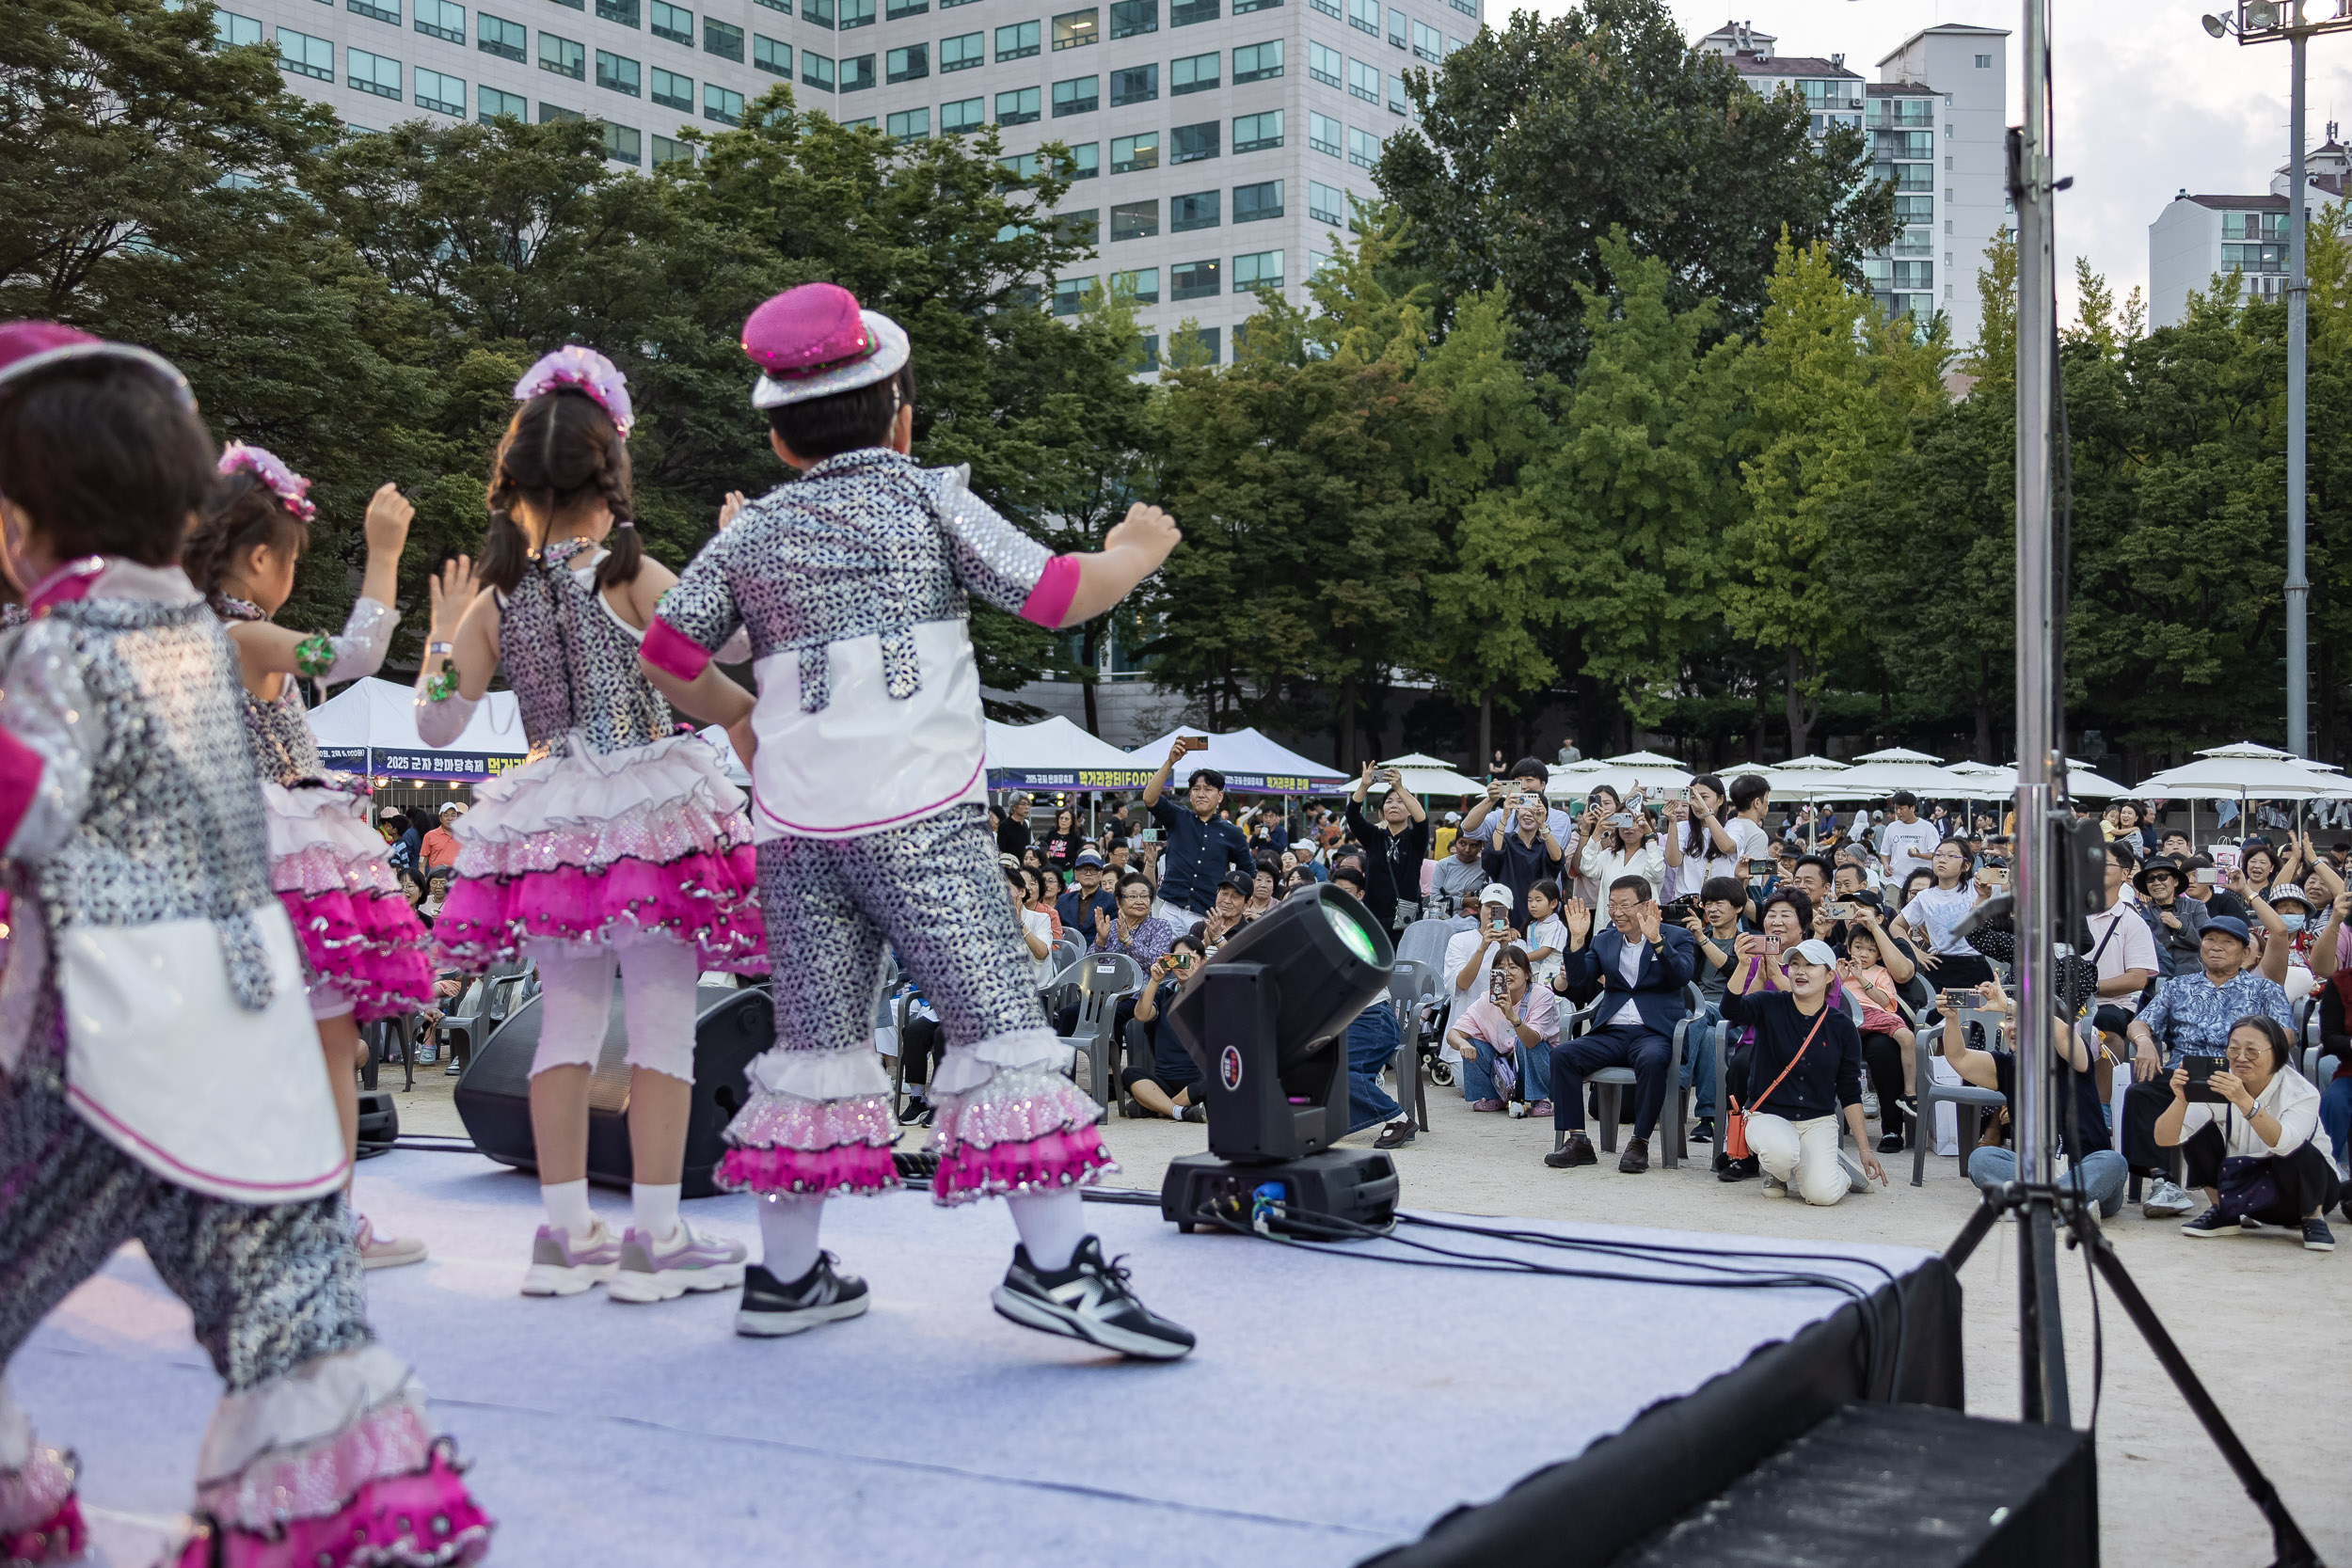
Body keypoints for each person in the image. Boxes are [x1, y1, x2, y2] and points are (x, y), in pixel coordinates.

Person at [0, 323, 490, 1558]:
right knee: (296, 1339)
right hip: (241, 1035)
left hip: (87, 1055)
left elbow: (37, 801)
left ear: (13, 527)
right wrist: (381, 571)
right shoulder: (213, 639)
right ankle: (349, 1519)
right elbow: (356, 656)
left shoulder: (57, 645)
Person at [642, 286, 1192, 1356]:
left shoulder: (751, 533)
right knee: (1000, 1028)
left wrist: (754, 717)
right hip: (921, 818)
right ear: (899, 410)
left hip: (797, 829)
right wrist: (1136, 552)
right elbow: (1049, 592)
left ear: (776, 433)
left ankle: (787, 1275)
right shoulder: (926, 497)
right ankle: (1056, 1267)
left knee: (812, 1045)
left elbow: (666, 654)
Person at [415, 346, 766, 1313]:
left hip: (553, 817)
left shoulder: (497, 596)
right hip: (653, 812)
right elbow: (714, 659)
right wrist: (731, 562)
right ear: (613, 471)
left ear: (514, 481)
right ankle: (655, 1235)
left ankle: (564, 1233)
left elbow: (437, 723)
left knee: (563, 1022)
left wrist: (441, 639)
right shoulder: (637, 573)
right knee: (661, 1021)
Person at [183, 444, 440, 1271]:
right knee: (332, 1039)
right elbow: (355, 656)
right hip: (282, 850)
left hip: (222, 850)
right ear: (261, 559)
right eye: (291, 560)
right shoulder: (243, 634)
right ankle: (327, 1225)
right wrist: (385, 555)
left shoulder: (181, 632)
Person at [2121, 917, 2296, 1218]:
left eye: (2227, 942)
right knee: (2142, 1092)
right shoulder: (2179, 986)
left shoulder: (2263, 990)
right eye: (2210, 940)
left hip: (2239, 1075)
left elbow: (2287, 1034)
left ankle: (2243, 1187)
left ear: (2244, 954)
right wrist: (2144, 1041)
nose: (2216, 947)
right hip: (2184, 1072)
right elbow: (2140, 1022)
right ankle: (2165, 1182)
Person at [1935, 976, 2131, 1220]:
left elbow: (2059, 1032)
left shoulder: (2074, 1057)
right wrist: (1951, 1019)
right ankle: (2062, 1206)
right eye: (2009, 1020)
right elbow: (1959, 1058)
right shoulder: (2008, 1065)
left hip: (2085, 1169)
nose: (2013, 1027)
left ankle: (2037, 1201)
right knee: (1981, 1158)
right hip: (2034, 1172)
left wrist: (2009, 1005)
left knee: (2112, 1162)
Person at [1544, 875, 1697, 1175]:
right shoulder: (1604, 939)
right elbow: (1577, 982)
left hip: (1655, 1033)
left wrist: (1656, 941)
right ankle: (1578, 1141)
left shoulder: (1676, 937)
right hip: (1611, 1032)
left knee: (1653, 1060)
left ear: (1647, 905)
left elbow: (1682, 976)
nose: (1616, 912)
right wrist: (1576, 941)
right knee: (1564, 1055)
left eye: (1625, 905)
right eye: (1612, 905)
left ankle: (1639, 1142)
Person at [1721, 938, 1885, 1205]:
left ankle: (1838, 1170)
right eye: (1795, 964)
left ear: (1829, 975)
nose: (1800, 971)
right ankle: (1779, 1174)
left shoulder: (1841, 1026)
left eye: (1810, 965)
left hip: (1816, 1120)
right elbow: (1731, 1010)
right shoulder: (1769, 1004)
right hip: (1768, 1114)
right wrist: (1741, 966)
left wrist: (1865, 1149)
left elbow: (1849, 1090)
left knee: (1822, 1195)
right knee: (1782, 1154)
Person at [2156, 1016, 2337, 1250]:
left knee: (2297, 1147)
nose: (2240, 1058)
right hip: (2247, 1194)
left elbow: (2285, 1144)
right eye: (2233, 1049)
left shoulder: (2301, 1092)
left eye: (2252, 1051)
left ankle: (2313, 1219)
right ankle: (2223, 1211)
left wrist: (2244, 1101)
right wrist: (2181, 1101)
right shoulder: (2219, 1084)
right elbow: (2165, 1138)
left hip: (2309, 1193)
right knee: (2199, 1131)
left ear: (2277, 1052)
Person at [1141, 743, 1254, 926]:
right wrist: (1170, 762)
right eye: (1196, 789)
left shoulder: (1233, 833)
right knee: (1167, 955)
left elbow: (1249, 872)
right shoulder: (1178, 817)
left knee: (1200, 955)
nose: (1201, 794)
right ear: (1191, 794)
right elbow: (1149, 798)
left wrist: (1244, 909)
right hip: (1169, 910)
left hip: (1206, 914)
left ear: (1220, 796)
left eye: (1208, 789)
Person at [1678, 875, 1748, 1145]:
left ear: (1738, 907)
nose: (1712, 910)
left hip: (1734, 1014)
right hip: (1700, 1020)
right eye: (1707, 904)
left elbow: (1733, 970)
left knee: (1701, 1010)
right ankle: (1707, 1118)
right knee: (1707, 1035)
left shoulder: (1746, 942)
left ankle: (1677, 1079)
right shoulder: (1696, 939)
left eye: (1720, 903)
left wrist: (1701, 940)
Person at [1446, 945, 1557, 1115]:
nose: (1507, 972)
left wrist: (1513, 1016)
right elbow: (1453, 1034)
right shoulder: (1488, 999)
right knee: (1471, 1042)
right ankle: (1492, 1097)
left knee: (1523, 1040)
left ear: (1527, 973)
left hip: (1543, 1067)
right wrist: (1462, 1044)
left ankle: (1541, 1098)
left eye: (1513, 967)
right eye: (1500, 968)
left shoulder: (1542, 995)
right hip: (1508, 1071)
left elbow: (1533, 1040)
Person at [1840, 926, 1916, 1155]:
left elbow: (1886, 1002)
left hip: (1873, 1019)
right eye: (1858, 947)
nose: (1863, 953)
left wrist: (1861, 979)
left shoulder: (1881, 973)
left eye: (1870, 950)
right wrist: (1838, 980)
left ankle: (1894, 1125)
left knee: (1886, 1052)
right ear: (1848, 947)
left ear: (1879, 954)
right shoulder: (1838, 968)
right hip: (1843, 1020)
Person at [1119, 935, 1209, 1122]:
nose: (1183, 966)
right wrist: (1154, 980)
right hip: (1165, 1081)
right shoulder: (1163, 992)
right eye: (1178, 959)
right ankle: (1179, 1111)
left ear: (1202, 961)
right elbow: (1141, 1015)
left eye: (1189, 959)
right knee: (1129, 1073)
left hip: (1199, 1080)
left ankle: (1156, 1108)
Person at [1894, 838, 1995, 993]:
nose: (1942, 860)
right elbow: (1896, 926)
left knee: (1978, 1014)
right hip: (1940, 966)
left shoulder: (1975, 888)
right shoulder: (1925, 897)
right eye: (1938, 855)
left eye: (1951, 856)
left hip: (1975, 964)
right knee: (1940, 1014)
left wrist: (2008, 859)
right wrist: (1917, 953)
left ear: (1966, 865)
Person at [1344, 760, 1429, 931]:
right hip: (1374, 917)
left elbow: (1422, 819)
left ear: (1409, 809)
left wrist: (1399, 788)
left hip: (1406, 919)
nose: (1394, 805)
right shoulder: (1374, 836)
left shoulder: (1415, 839)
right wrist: (1364, 785)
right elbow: (1352, 816)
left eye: (1400, 801)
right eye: (1389, 801)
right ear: (1382, 810)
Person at [1662, 772, 1768, 900]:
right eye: (1694, 798)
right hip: (1687, 903)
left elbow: (1727, 847)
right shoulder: (1683, 828)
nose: (1698, 803)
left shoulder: (1733, 826)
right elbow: (1673, 862)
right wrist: (1672, 823)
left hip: (1721, 902)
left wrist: (1706, 812)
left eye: (1704, 797)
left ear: (1720, 800)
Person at [1482, 789, 1565, 931]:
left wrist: (1542, 824)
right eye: (1524, 808)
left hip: (1539, 918)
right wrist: (1504, 816)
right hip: (1502, 911)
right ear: (1517, 812)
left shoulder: (1545, 845)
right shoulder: (1505, 839)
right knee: (1499, 944)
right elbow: (1493, 854)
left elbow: (1557, 858)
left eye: (1535, 809)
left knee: (1536, 949)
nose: (1528, 814)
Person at [1578, 807, 1665, 908]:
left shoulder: (1654, 855)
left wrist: (1650, 836)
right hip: (1609, 920)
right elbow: (1587, 869)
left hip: (1642, 921)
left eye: (1634, 820)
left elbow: (1657, 873)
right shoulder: (1608, 855)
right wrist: (1597, 833)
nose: (1628, 827)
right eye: (1623, 820)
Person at [1428, 825, 1489, 921]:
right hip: (1444, 923)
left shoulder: (1486, 867)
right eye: (1462, 843)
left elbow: (1490, 899)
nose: (1467, 850)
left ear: (1481, 846)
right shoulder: (1443, 865)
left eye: (1473, 845)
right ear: (1455, 842)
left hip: (1474, 924)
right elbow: (1435, 899)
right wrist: (1463, 901)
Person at [1879, 790, 1940, 884]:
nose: (1898, 812)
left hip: (1921, 880)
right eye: (1896, 808)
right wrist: (1886, 865)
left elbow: (1936, 854)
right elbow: (1885, 853)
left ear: (1912, 808)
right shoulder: (1891, 827)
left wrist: (1918, 855)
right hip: (1895, 880)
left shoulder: (1928, 828)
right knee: (1891, 900)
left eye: (1902, 809)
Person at [1057, 848, 1119, 933]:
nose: (1088, 873)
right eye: (1084, 869)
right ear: (1076, 874)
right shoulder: (1063, 901)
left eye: (1094, 869)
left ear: (1101, 874)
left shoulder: (1112, 900)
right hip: (1068, 945)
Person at [421, 800, 463, 870]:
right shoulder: (430, 835)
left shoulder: (464, 837)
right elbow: (422, 862)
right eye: (446, 815)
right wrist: (422, 879)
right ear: (440, 818)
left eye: (453, 815)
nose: (450, 818)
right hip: (437, 879)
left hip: (457, 879)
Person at [1039, 805, 1082, 869]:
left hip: (1067, 870)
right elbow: (1046, 849)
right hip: (1050, 869)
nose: (1063, 820)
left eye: (1066, 819)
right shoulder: (1051, 833)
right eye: (1061, 818)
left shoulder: (1076, 837)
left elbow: (1077, 855)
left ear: (1072, 822)